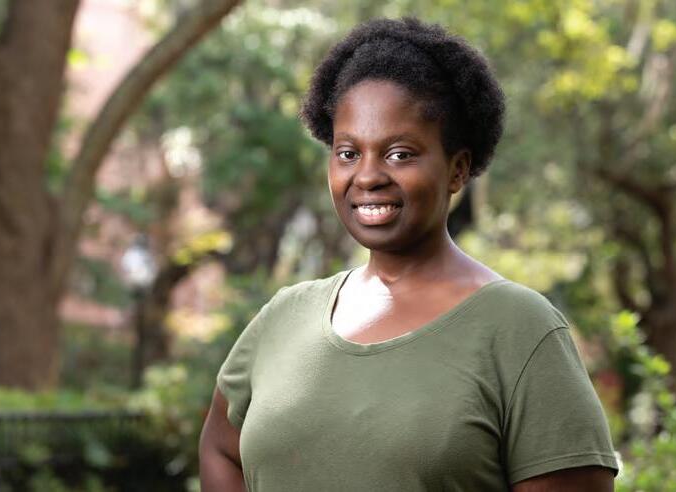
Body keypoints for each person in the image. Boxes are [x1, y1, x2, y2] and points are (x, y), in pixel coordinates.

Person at [199, 17, 618, 491]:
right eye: (348, 153)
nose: (368, 176)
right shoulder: (285, 317)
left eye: (399, 154)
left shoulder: (520, 329)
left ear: (457, 170)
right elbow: (220, 447)